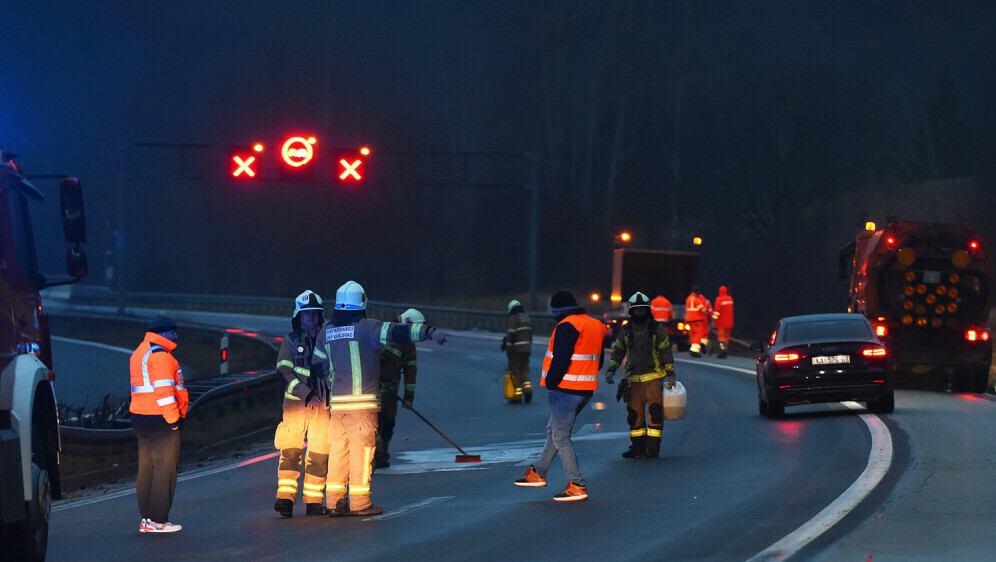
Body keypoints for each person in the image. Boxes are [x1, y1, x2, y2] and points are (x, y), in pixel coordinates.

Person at [313, 281, 448, 516]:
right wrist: (429, 332)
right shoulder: (369, 328)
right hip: (363, 407)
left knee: (338, 454)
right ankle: (360, 504)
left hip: (338, 408)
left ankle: (335, 502)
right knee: (362, 453)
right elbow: (400, 332)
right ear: (362, 303)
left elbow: (317, 366)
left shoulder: (326, 332)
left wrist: (332, 380)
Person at [514, 290, 605, 502]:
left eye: (555, 313)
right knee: (554, 431)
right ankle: (538, 472)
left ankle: (577, 484)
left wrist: (552, 383)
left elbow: (561, 359)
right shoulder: (595, 325)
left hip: (565, 390)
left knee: (560, 437)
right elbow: (598, 360)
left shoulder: (567, 325)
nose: (554, 316)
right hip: (585, 390)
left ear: (559, 311)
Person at [273, 290, 331, 517]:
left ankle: (314, 502)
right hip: (297, 406)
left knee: (319, 453)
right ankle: (285, 500)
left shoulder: (327, 338)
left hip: (323, 406)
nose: (311, 318)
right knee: (290, 451)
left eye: (315, 314)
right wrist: (306, 393)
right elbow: (283, 371)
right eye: (307, 315)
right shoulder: (290, 341)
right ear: (299, 316)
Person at [130, 315, 188, 533]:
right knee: (164, 470)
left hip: (140, 418)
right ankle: (159, 520)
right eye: (173, 332)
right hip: (160, 419)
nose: (176, 336)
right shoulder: (160, 355)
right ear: (164, 332)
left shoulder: (140, 352)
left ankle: (147, 519)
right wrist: (174, 421)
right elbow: (164, 393)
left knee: (146, 469)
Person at [605, 292, 676, 458]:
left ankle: (653, 448)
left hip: (654, 379)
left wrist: (671, 375)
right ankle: (637, 447)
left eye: (641, 310)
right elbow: (618, 351)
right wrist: (611, 371)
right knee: (634, 415)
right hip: (633, 381)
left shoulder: (656, 329)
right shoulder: (626, 330)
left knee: (655, 412)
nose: (638, 313)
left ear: (646, 310)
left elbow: (666, 352)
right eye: (635, 310)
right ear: (631, 311)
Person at [375, 308, 425, 469]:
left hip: (391, 393)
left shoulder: (409, 346)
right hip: (372, 390)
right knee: (375, 423)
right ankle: (377, 455)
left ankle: (382, 452)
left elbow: (411, 372)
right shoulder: (384, 334)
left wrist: (409, 398)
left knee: (389, 423)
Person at [501, 299, 534, 403]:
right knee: (524, 370)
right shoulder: (527, 318)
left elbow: (512, 335)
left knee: (516, 372)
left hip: (516, 350)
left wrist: (508, 350)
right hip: (526, 349)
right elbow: (530, 336)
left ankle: (517, 397)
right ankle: (528, 390)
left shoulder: (513, 318)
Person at [685, 285, 711, 358]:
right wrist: (707, 310)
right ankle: (694, 351)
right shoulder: (696, 299)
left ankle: (693, 348)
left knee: (693, 334)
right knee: (698, 334)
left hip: (689, 320)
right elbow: (702, 309)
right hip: (697, 319)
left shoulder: (688, 298)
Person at [712, 286, 734, 359]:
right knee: (726, 338)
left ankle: (722, 350)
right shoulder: (730, 299)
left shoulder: (719, 300)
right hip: (729, 322)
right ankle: (725, 349)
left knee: (721, 337)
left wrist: (713, 320)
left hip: (721, 322)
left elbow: (717, 312)